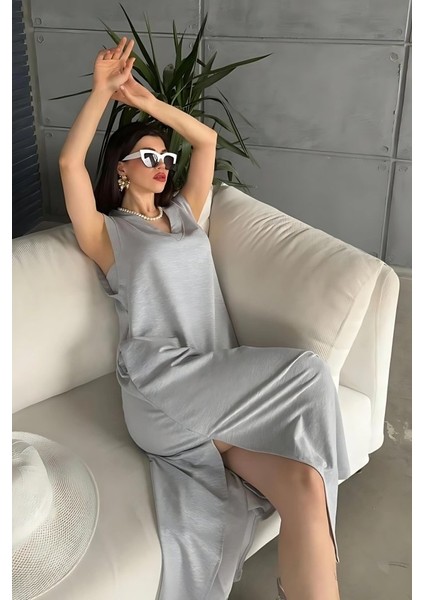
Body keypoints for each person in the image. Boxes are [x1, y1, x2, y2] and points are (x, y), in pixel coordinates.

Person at [59, 37, 351, 600]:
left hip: (217, 390)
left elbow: (205, 140)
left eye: (164, 158)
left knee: (306, 485)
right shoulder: (108, 234)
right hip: (162, 388)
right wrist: (102, 92)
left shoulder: (187, 214)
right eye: (147, 157)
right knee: (310, 372)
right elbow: (70, 163)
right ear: (120, 170)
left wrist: (148, 103)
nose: (161, 165)